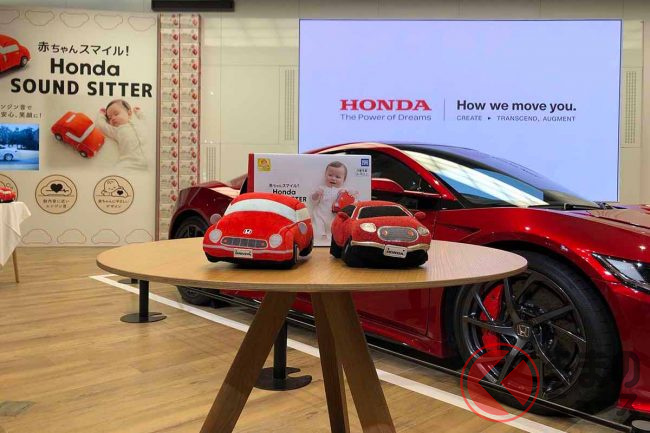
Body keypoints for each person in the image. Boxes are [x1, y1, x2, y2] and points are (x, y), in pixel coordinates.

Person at [96, 99, 148, 170]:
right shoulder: (117, 130)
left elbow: (144, 120)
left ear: (129, 113)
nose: (113, 118)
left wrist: (139, 112)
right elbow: (101, 126)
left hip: (147, 162)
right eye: (110, 118)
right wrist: (101, 115)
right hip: (129, 163)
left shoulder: (138, 123)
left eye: (116, 114)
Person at [310, 161, 353, 240]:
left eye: (337, 177)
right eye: (330, 175)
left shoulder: (343, 190)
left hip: (335, 217)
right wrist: (316, 194)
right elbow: (313, 201)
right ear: (325, 175)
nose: (333, 178)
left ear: (344, 179)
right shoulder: (321, 188)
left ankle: (330, 238)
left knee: (335, 230)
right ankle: (321, 237)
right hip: (320, 215)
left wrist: (346, 194)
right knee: (317, 227)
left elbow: (352, 198)